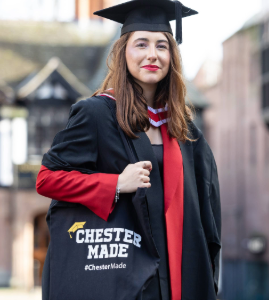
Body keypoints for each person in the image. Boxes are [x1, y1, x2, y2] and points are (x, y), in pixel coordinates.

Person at [36, 0, 221, 299]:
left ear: (172, 56)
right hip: (124, 276)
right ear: (123, 52)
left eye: (162, 46)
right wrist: (116, 184)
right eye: (141, 44)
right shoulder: (96, 114)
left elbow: (206, 212)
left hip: (176, 277)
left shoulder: (184, 130)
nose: (152, 54)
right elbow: (47, 179)